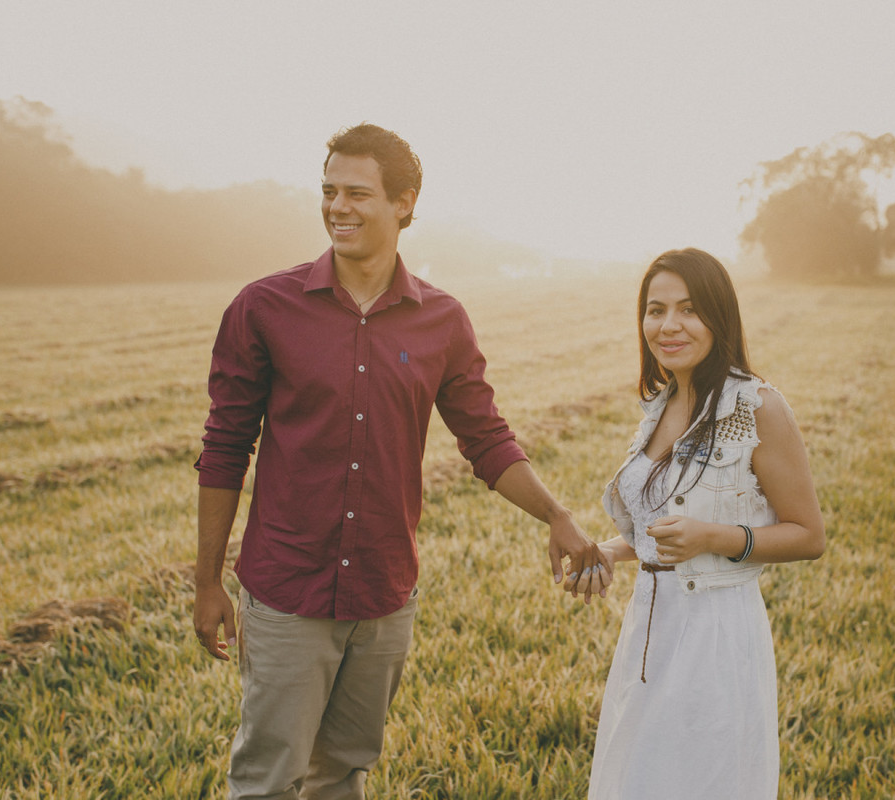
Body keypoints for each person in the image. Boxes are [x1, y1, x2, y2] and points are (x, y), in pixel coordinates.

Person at [192, 123, 609, 799]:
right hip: (287, 593)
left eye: (357, 193)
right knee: (267, 781)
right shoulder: (264, 307)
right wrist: (207, 581)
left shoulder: (441, 319)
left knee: (345, 775)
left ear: (404, 204)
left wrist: (556, 514)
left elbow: (486, 438)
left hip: (385, 594)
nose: (337, 207)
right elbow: (223, 449)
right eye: (328, 191)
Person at [574, 248, 825, 799]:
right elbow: (664, 527)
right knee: (640, 779)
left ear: (719, 315)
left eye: (688, 309)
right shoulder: (660, 406)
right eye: (655, 309)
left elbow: (808, 535)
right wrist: (612, 551)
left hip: (717, 635)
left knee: (700, 780)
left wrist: (712, 539)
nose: (668, 325)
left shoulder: (757, 406)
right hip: (651, 628)